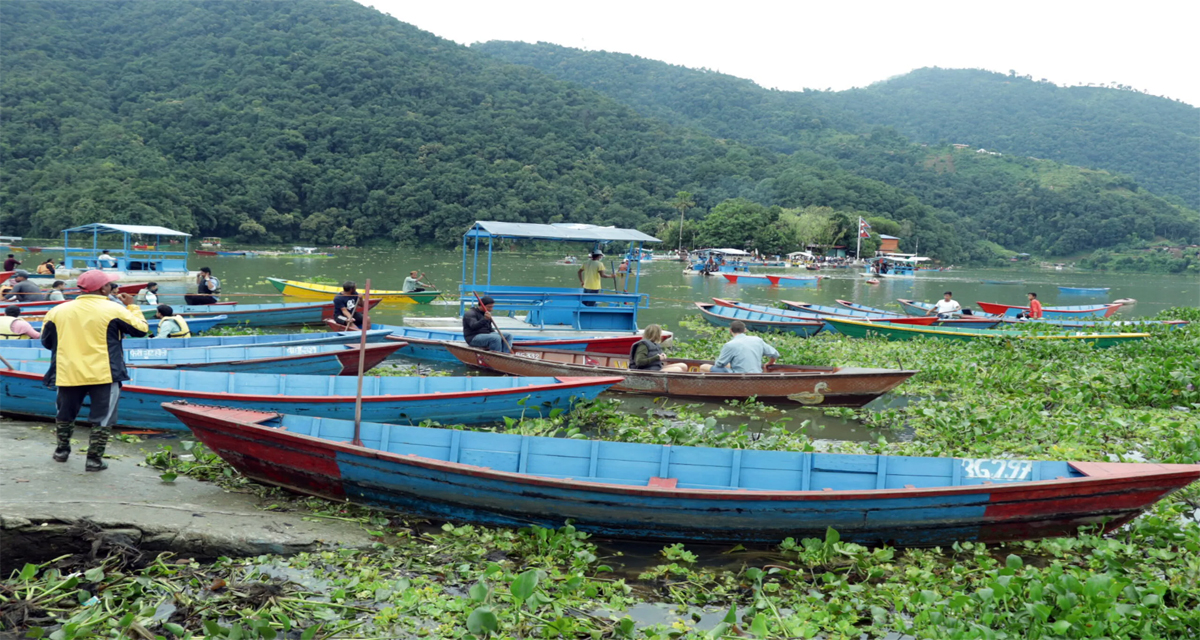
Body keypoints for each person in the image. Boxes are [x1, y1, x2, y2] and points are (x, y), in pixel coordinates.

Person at [41, 270, 149, 471]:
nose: (113, 288)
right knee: (103, 417)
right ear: (103, 288)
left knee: (65, 413)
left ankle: (61, 451)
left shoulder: (57, 311)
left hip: (68, 371)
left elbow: (47, 342)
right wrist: (132, 305)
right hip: (104, 373)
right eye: (110, 284)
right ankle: (94, 460)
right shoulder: (114, 309)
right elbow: (141, 330)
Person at [699, 320, 780, 374]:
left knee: (703, 367)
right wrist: (770, 363)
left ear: (730, 331)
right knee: (728, 365)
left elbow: (719, 364)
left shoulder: (730, 344)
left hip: (738, 375)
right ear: (745, 330)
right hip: (756, 373)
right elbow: (775, 354)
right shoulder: (757, 340)